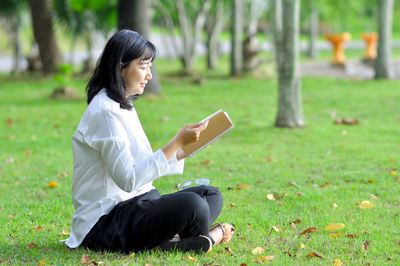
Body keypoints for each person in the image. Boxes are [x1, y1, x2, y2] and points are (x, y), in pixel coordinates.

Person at [64, 30, 234, 254]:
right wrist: (175, 142)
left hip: (137, 202)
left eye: (149, 67)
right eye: (143, 67)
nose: (149, 75)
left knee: (210, 195)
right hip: (106, 221)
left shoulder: (122, 104)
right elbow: (128, 179)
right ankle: (209, 238)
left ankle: (171, 240)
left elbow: (144, 163)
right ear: (120, 67)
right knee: (194, 206)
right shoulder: (105, 112)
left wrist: (186, 147)